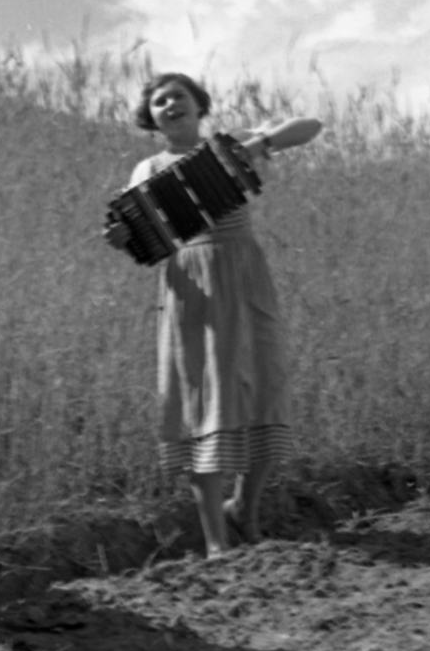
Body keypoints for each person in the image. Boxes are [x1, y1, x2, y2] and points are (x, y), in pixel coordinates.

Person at [105, 73, 323, 556]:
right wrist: (124, 240)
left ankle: (244, 507)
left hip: (246, 272)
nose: (169, 104)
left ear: (198, 105)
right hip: (193, 282)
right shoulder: (148, 168)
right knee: (205, 399)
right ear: (151, 117)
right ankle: (216, 541)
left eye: (178, 96)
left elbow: (311, 125)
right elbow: (142, 239)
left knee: (264, 386)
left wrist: (258, 143)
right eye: (159, 101)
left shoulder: (232, 146)